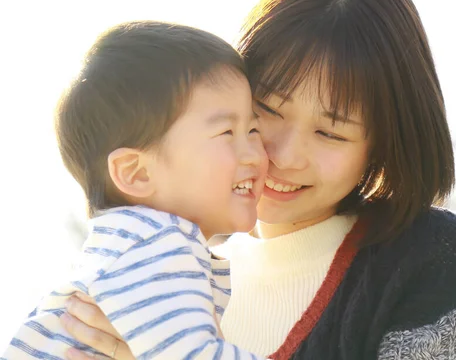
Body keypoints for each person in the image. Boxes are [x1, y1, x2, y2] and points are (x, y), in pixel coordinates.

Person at [60, 0, 456, 359]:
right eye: (266, 110)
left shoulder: (431, 258)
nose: (280, 156)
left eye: (330, 132)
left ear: (383, 145)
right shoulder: (167, 277)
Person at [2, 21, 269, 359]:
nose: (255, 153)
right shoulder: (157, 245)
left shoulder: (133, 244)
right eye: (227, 132)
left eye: (254, 129)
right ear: (137, 173)